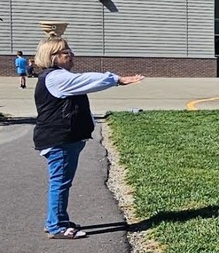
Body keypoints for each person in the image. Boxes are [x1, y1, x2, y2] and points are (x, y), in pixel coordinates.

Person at [33, 36, 144, 239]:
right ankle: (56, 226)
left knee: (61, 181)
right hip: (60, 140)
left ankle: (57, 219)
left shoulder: (56, 77)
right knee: (60, 182)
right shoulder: (56, 78)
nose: (71, 55)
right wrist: (116, 79)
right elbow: (88, 80)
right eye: (66, 53)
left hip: (62, 139)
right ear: (53, 57)